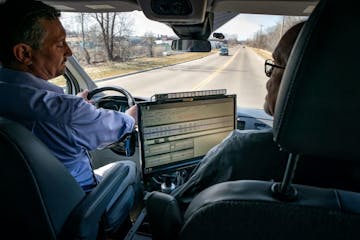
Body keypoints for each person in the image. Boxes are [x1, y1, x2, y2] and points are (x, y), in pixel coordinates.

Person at [172, 20, 360, 208]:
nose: (268, 80)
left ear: (305, 80)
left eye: (276, 65)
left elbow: (175, 210)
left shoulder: (239, 153)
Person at [0, 0, 140, 234]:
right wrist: (132, 116)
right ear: (24, 53)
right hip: (74, 206)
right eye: (60, 44)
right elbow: (115, 128)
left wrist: (75, 105)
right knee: (127, 168)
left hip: (17, 212)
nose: (69, 51)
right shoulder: (67, 111)